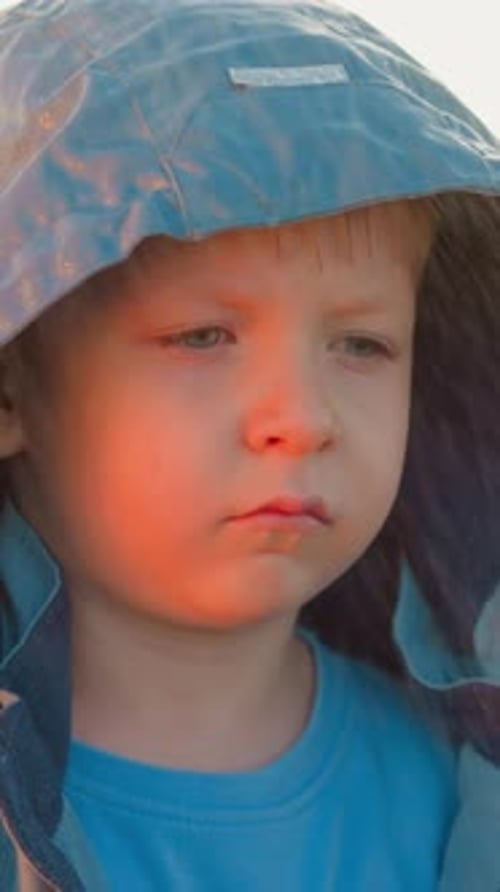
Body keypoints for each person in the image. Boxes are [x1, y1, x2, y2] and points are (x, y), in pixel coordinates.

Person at [0, 1, 499, 890]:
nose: (303, 418)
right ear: (11, 388)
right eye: (202, 337)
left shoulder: (463, 790)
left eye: (362, 345)